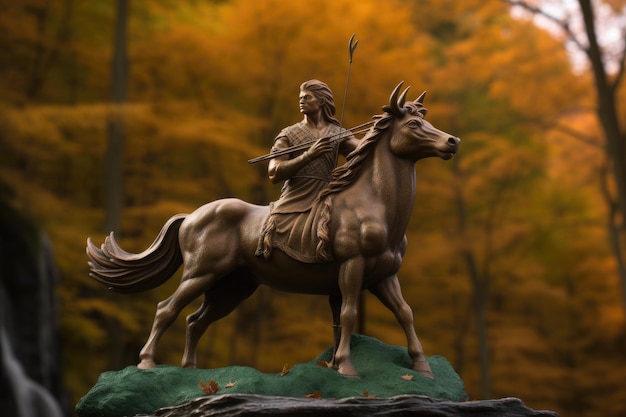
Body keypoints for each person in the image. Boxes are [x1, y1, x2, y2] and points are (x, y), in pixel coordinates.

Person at [256, 79, 359, 263]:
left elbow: (363, 150)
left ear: (321, 102)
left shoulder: (337, 133)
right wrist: (308, 156)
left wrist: (383, 128)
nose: (301, 100)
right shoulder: (289, 133)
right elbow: (274, 172)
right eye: (300, 97)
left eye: (307, 97)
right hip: (296, 195)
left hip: (327, 196)